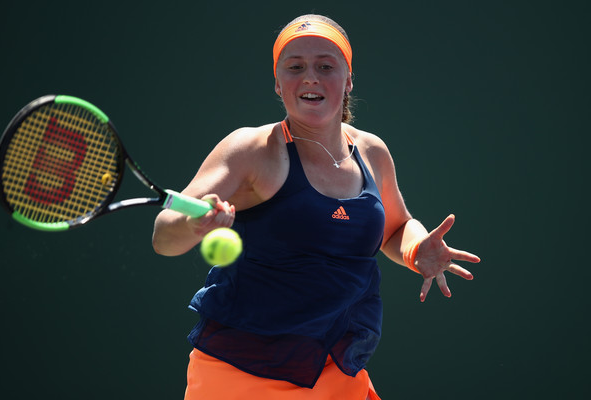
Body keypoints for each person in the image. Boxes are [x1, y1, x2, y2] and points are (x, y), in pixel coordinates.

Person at [152, 14, 480, 400]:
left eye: (326, 65)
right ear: (278, 83)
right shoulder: (250, 150)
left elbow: (395, 226)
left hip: (336, 370)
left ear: (348, 80)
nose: (310, 77)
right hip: (241, 375)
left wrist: (416, 248)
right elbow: (164, 235)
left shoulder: (371, 151)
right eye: (295, 67)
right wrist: (194, 225)